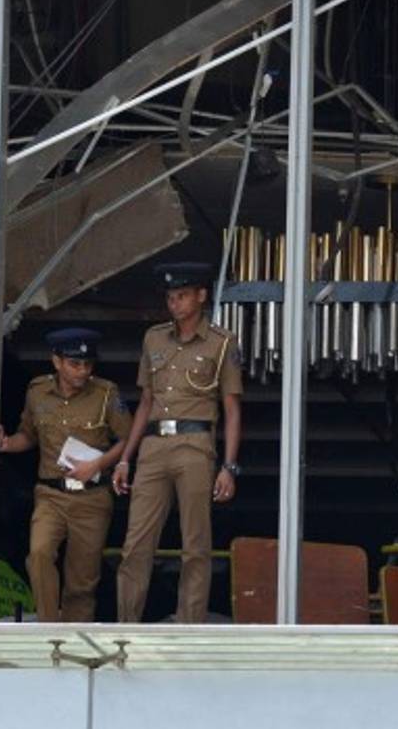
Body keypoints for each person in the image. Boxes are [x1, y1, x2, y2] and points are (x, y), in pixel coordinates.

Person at [114, 262, 243, 623]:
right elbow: (145, 402)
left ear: (201, 296)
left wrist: (229, 467)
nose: (175, 303)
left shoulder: (221, 343)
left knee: (195, 546)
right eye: (171, 297)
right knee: (135, 545)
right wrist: (126, 458)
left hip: (196, 444)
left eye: (183, 296)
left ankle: (189, 628)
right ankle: (127, 626)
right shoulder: (153, 338)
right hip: (153, 447)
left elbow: (231, 408)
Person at [0, 327, 132, 622]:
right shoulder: (37, 391)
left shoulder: (106, 393)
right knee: (40, 555)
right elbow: (28, 436)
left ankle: (73, 643)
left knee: (82, 582)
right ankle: (49, 629)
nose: (82, 371)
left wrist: (97, 465)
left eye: (87, 364)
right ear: (56, 362)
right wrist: (6, 444)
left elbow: (128, 439)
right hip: (51, 495)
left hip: (92, 499)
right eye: (74, 364)